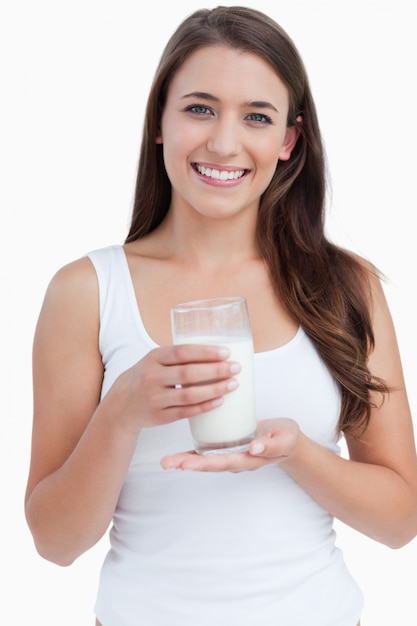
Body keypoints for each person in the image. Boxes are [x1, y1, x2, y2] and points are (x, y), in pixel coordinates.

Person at [24, 6, 417, 626]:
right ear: (160, 120)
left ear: (288, 140)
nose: (224, 143)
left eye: (257, 117)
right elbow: (54, 542)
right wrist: (121, 412)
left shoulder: (346, 286)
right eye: (199, 108)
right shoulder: (89, 291)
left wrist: (295, 452)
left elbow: (401, 522)